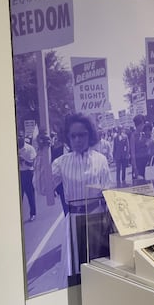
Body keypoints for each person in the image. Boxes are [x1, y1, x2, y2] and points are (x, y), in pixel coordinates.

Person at [50, 113, 114, 277]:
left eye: (82, 134)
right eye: (73, 135)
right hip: (73, 222)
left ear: (90, 135)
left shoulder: (100, 160)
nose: (78, 139)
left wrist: (111, 224)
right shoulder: (61, 162)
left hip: (97, 219)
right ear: (68, 138)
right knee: (76, 270)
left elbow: (108, 193)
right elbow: (44, 188)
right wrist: (43, 152)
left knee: (98, 265)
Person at [18, 134, 38, 219]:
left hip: (28, 173)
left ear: (23, 138)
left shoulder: (30, 149)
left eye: (20, 137)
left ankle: (33, 214)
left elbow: (31, 164)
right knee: (19, 196)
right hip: (19, 174)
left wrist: (22, 160)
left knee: (30, 195)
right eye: (17, 137)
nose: (19, 139)